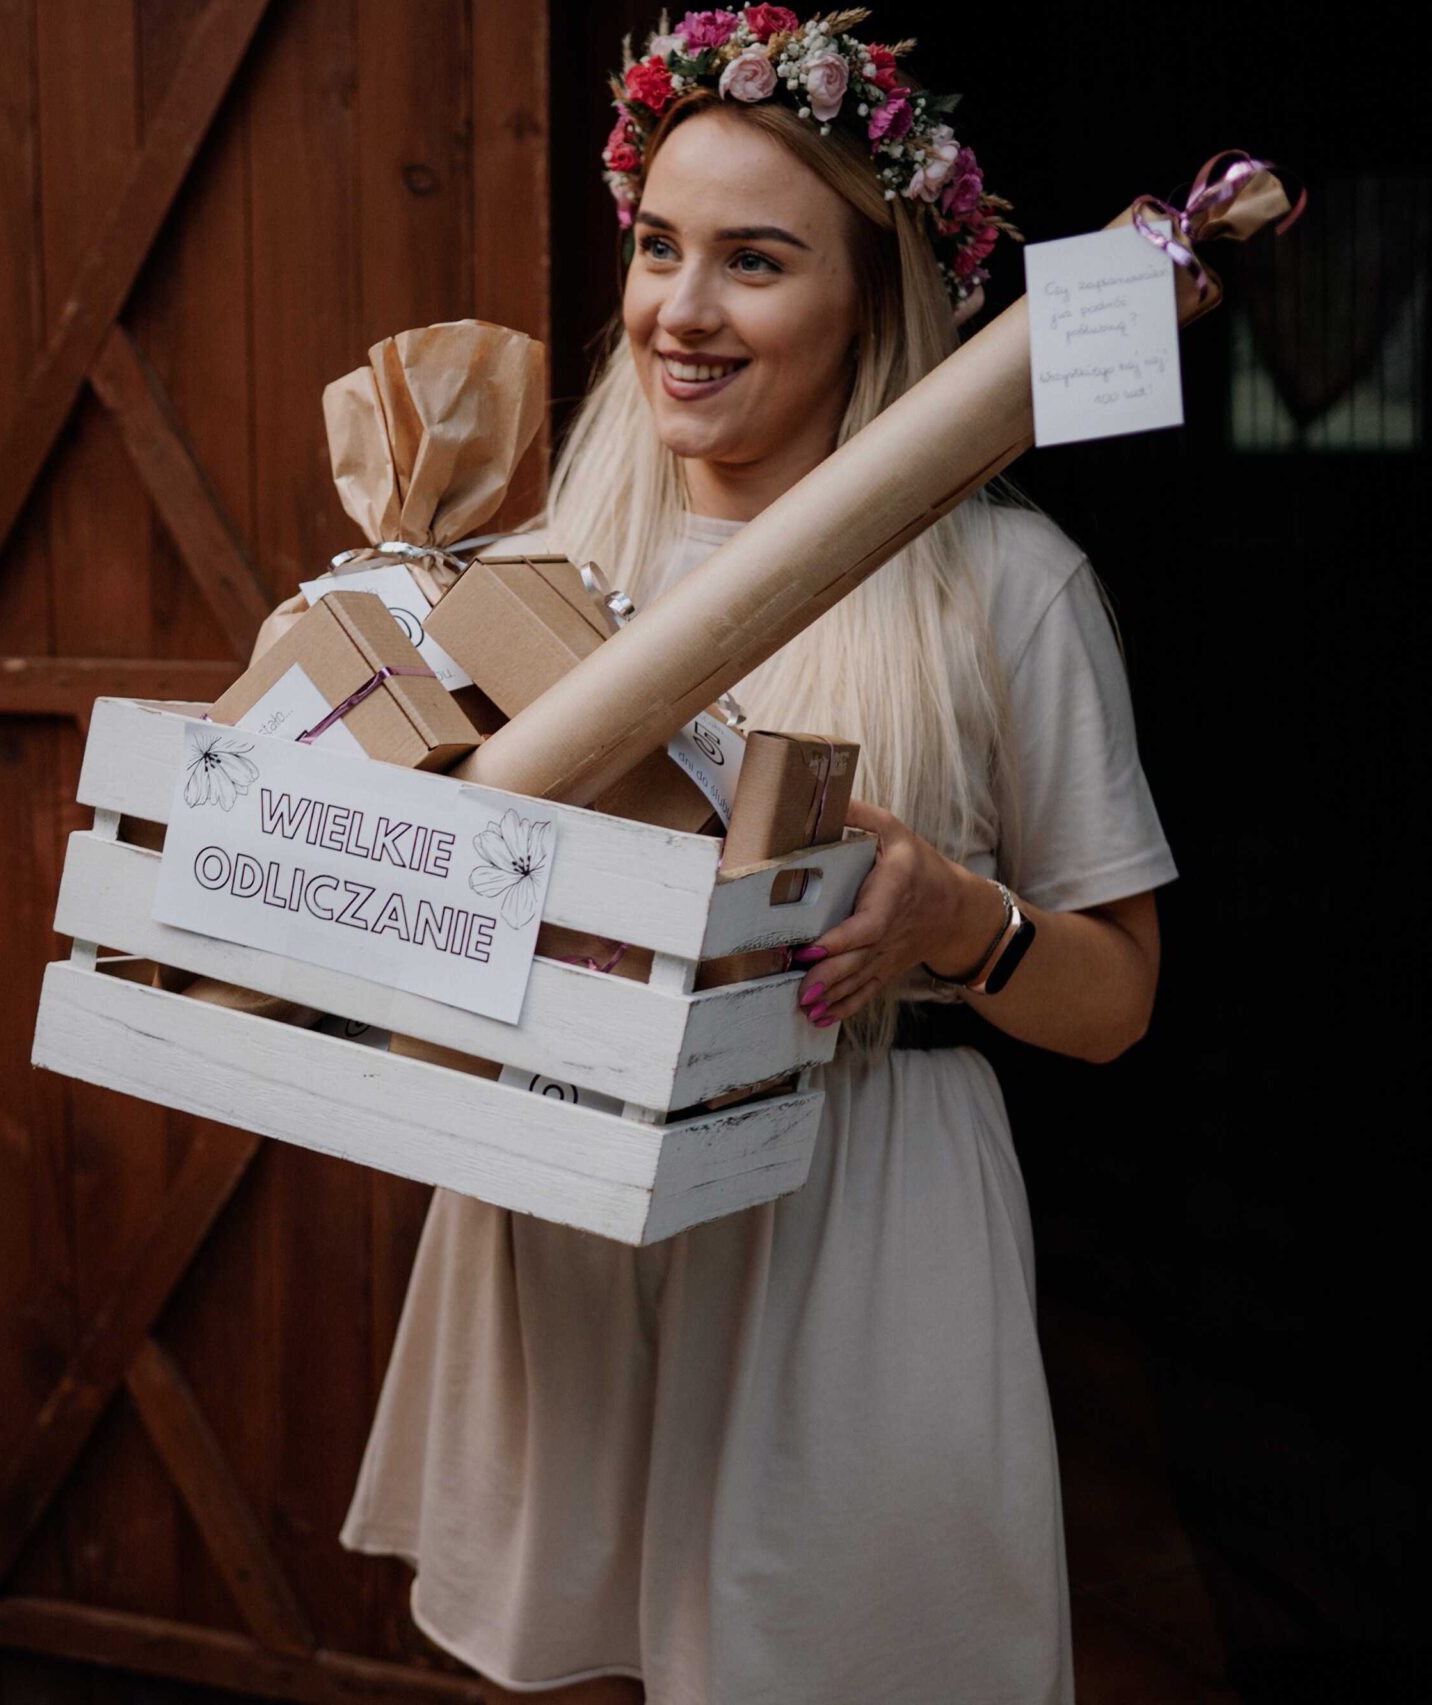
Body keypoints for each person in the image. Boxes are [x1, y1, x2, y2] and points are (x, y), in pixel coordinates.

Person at [340, 13, 1166, 1704]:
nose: (681, 310)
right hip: (568, 1210)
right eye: (659, 247)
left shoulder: (1010, 589)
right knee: (574, 1659)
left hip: (849, 1221)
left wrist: (958, 917)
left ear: (871, 298)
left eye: (756, 260)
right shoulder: (532, 575)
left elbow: (1119, 1004)